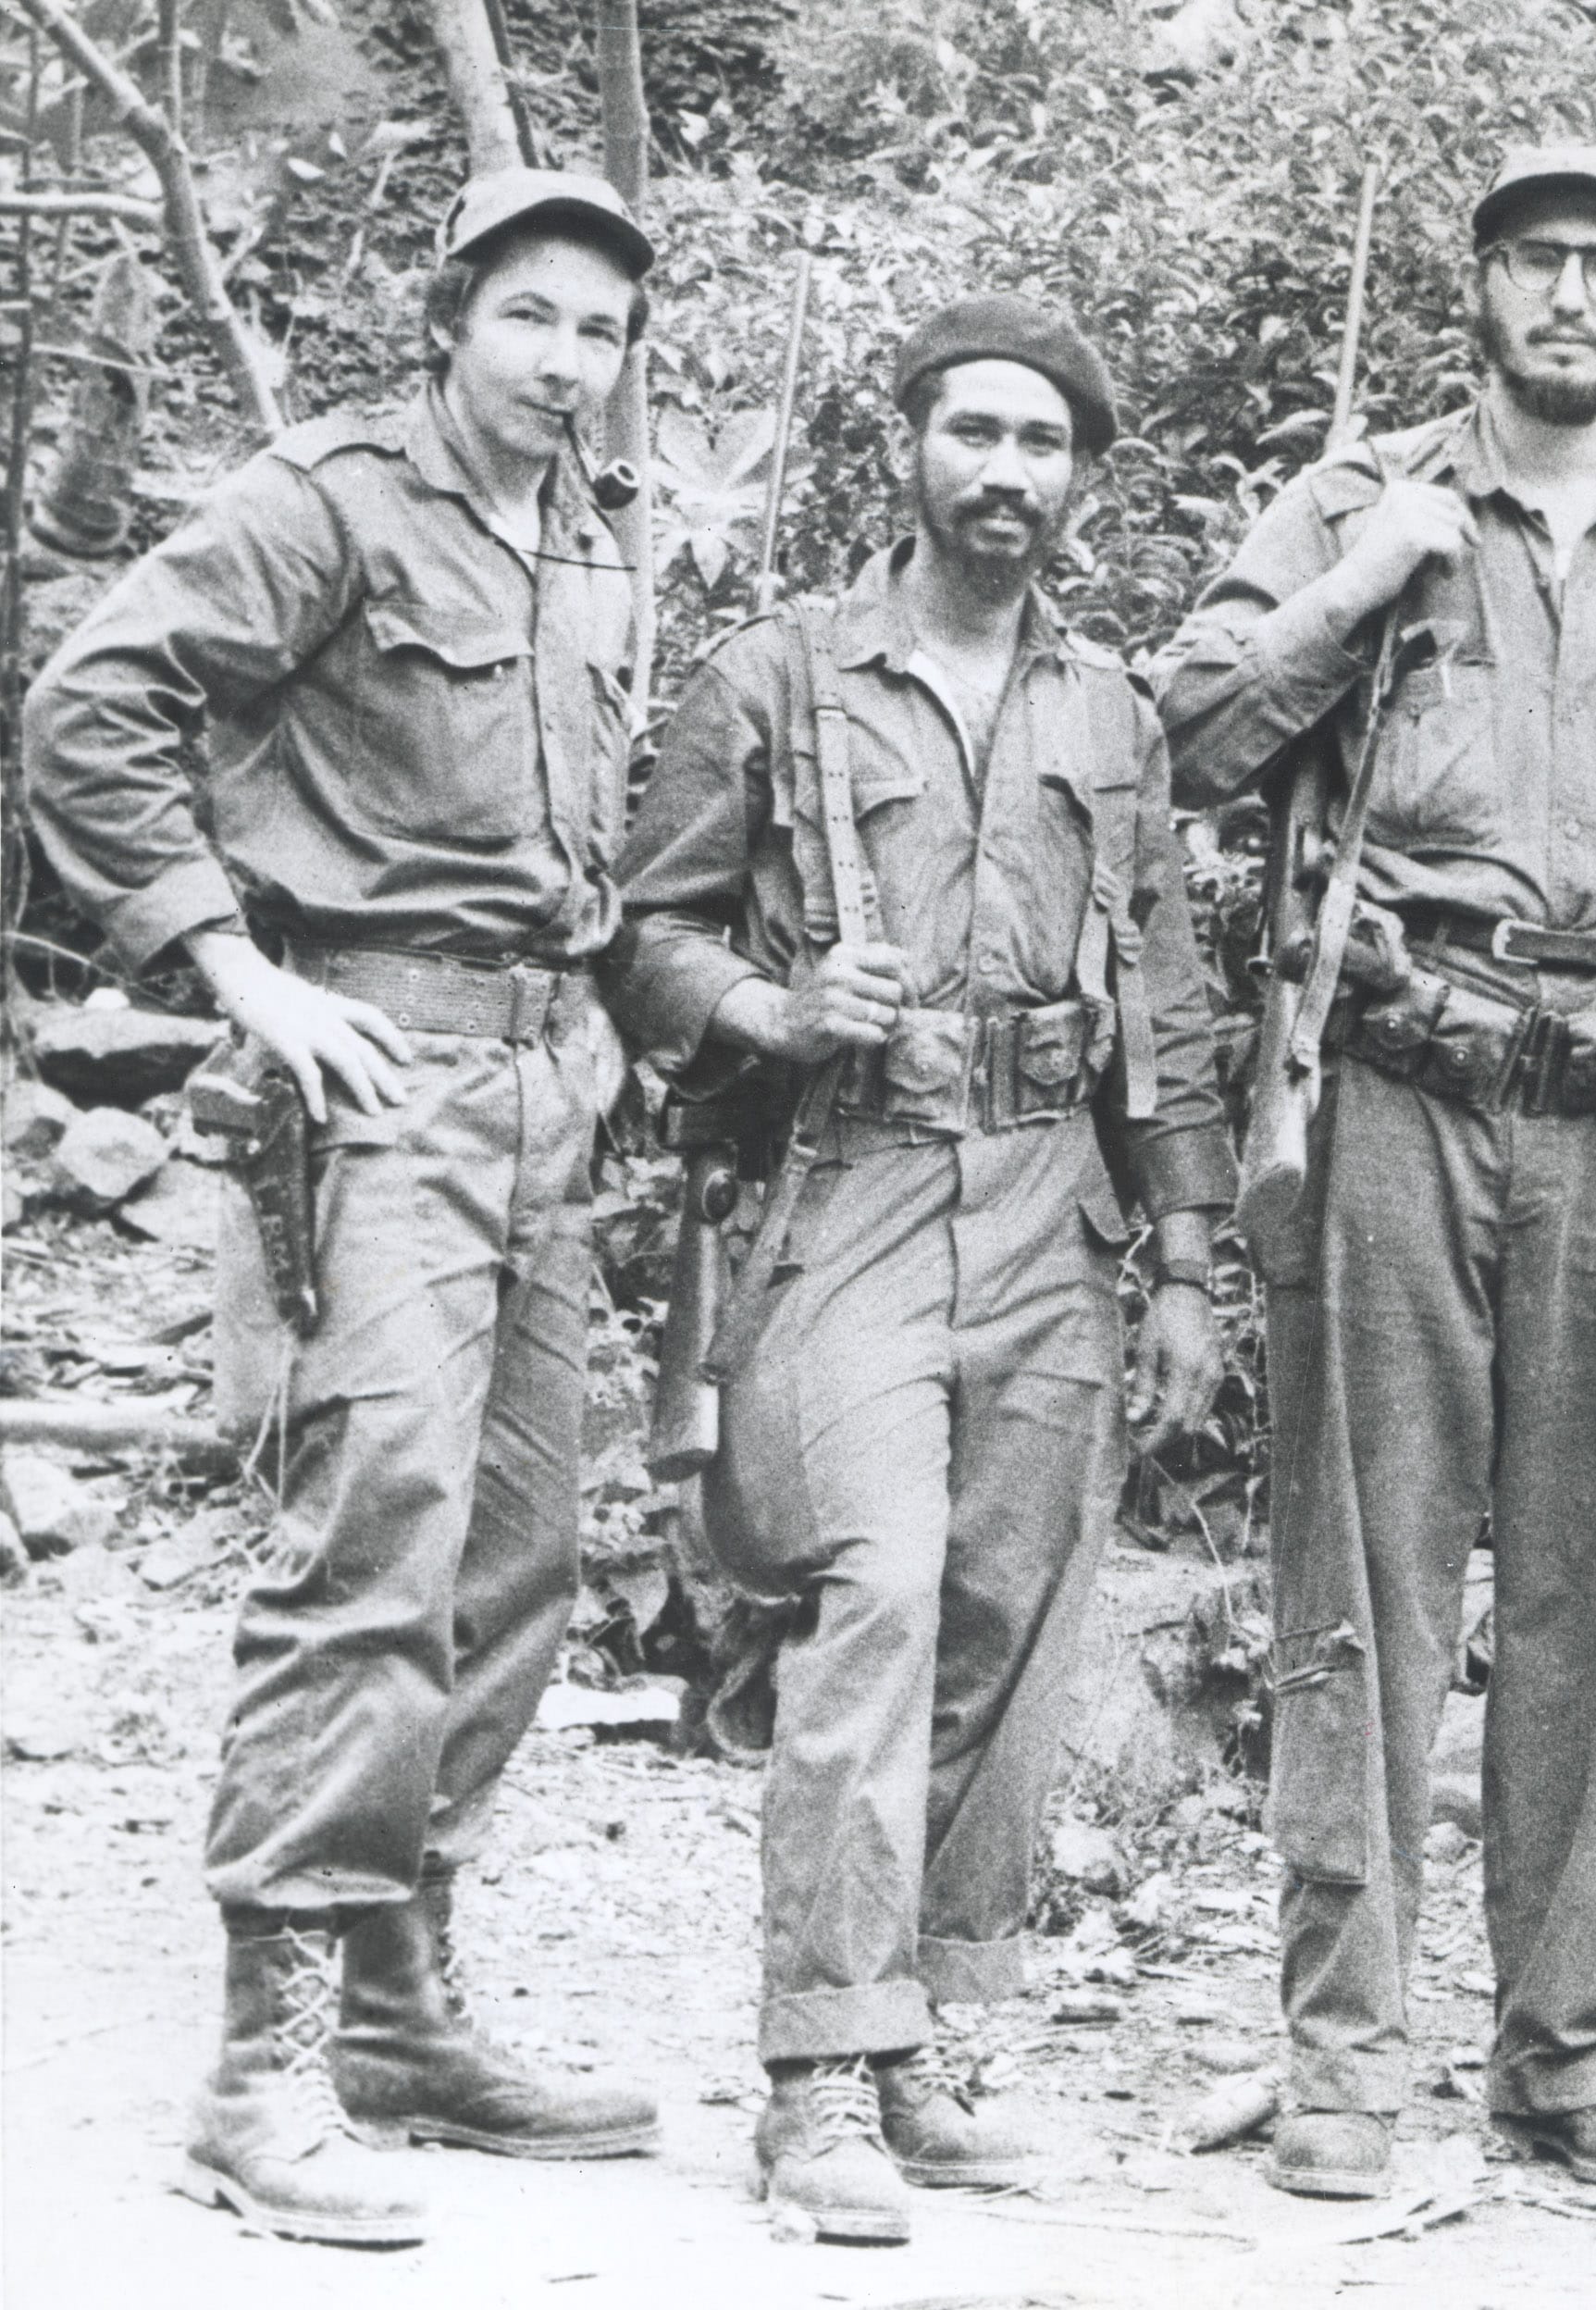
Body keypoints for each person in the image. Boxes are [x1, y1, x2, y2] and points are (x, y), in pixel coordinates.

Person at [1156, 144, 1596, 2201]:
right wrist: (1361, 591)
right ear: (1480, 283)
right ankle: (1345, 2052)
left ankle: (1571, 2049)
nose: (1566, 293)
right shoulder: (1355, 505)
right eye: (1533, 256)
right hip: (1398, 1094)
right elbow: (1196, 740)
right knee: (1356, 1578)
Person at [23, 167, 664, 2247]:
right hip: (367, 1072)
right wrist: (234, 969)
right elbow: (93, 709)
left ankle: (401, 2008)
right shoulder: (326, 499)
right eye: (533, 319)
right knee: (370, 1547)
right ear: (451, 316)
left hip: (540, 1083)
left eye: (599, 331)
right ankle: (263, 2064)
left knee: (518, 1554)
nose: (566, 362)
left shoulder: (597, 535)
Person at [605, 293, 1236, 2242]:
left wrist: (1194, 1251)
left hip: (1059, 1202)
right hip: (853, 1179)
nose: (1003, 473)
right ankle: (812, 2080)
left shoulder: (1109, 708)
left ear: (1080, 480)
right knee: (874, 1592)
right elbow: (641, 937)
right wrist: (777, 1009)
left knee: (1010, 1619)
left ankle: (935, 2047)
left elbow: (1168, 989)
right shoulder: (779, 679)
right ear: (906, 447)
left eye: (1041, 445)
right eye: (972, 432)